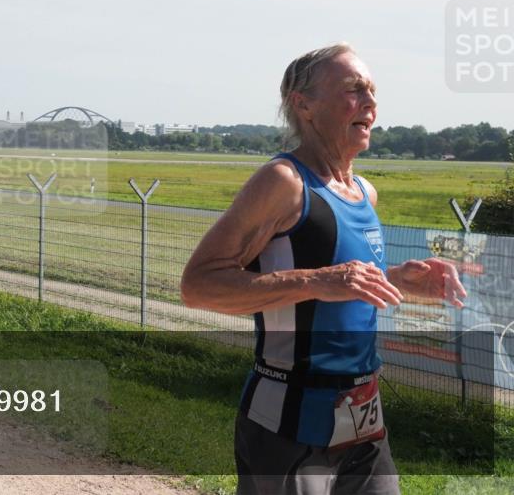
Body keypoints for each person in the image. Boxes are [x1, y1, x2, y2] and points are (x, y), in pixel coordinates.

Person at [180, 43, 467, 495]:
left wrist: (394, 281)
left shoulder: (363, 192)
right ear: (304, 105)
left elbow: (336, 288)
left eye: (372, 91)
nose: (370, 103)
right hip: (289, 420)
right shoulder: (284, 182)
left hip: (364, 418)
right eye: (354, 90)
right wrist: (317, 280)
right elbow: (198, 285)